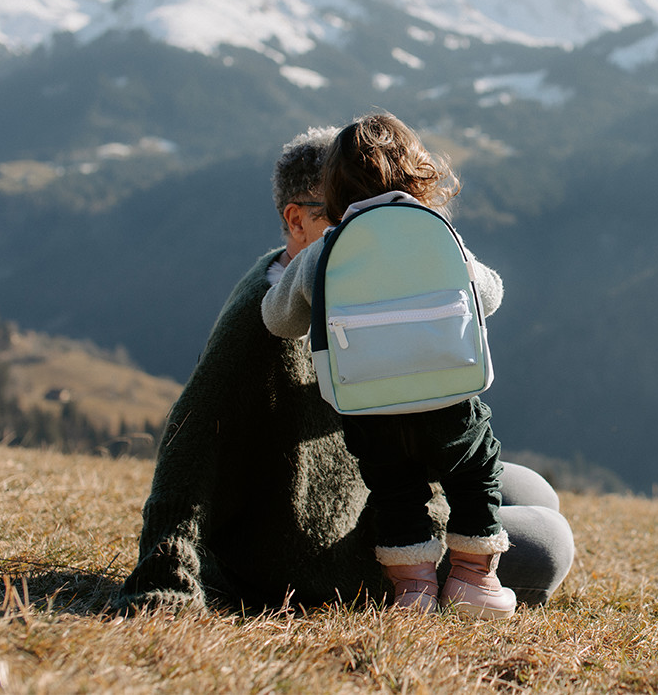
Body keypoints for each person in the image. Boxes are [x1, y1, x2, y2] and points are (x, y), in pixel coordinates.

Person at [116, 124, 573, 613]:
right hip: (328, 545)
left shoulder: (323, 273)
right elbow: (191, 441)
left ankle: (452, 566)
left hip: (380, 482)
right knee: (550, 541)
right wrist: (166, 567)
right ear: (297, 221)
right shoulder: (263, 316)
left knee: (534, 489)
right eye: (343, 216)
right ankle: (441, 589)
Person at [260, 115, 513, 618]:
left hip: (366, 404)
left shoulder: (327, 249)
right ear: (420, 174)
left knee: (395, 492)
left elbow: (279, 321)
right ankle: (471, 582)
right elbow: (490, 294)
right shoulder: (440, 233)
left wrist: (278, 275)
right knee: (476, 474)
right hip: (448, 394)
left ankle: (413, 593)